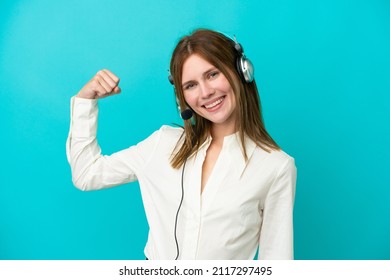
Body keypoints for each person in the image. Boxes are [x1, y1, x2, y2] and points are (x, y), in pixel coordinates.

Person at [66, 29, 297, 260]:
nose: (206, 92)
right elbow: (86, 174)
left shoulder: (276, 167)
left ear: (241, 71)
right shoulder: (163, 144)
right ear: (181, 98)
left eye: (213, 74)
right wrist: (86, 100)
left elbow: (277, 260)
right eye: (191, 85)